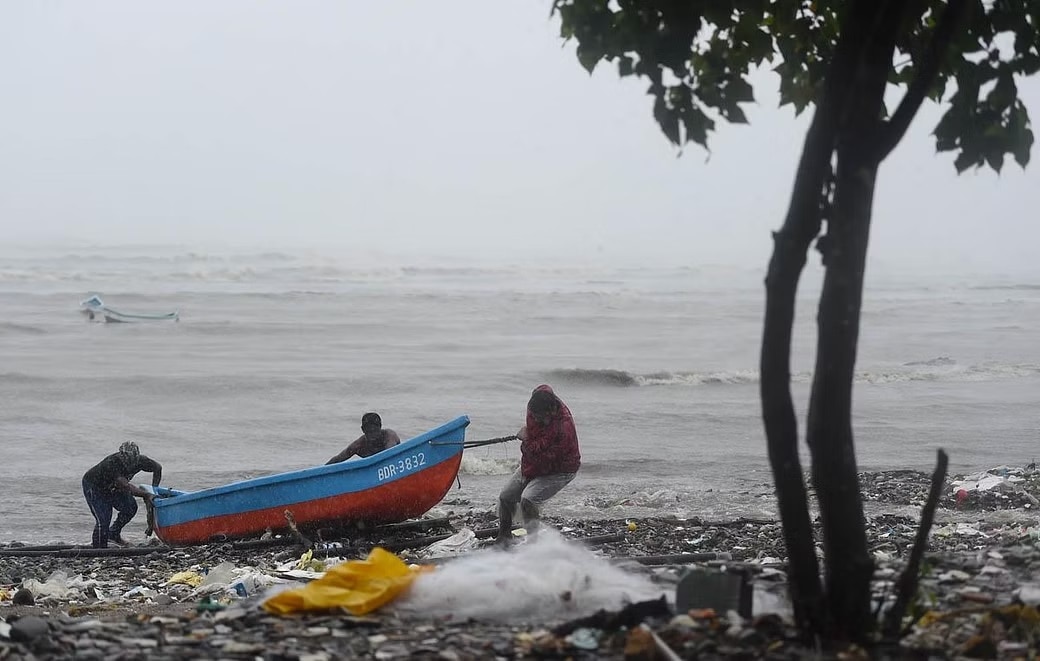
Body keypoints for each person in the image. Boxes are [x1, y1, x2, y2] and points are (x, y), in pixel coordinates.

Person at [497, 384, 581, 545]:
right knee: (505, 497)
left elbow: (545, 459)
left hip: (560, 469)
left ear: (551, 411)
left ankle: (533, 544)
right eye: (533, 416)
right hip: (533, 462)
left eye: (540, 417)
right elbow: (543, 388)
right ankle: (504, 537)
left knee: (528, 499)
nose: (536, 420)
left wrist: (526, 440)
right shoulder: (537, 400)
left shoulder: (563, 428)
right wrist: (528, 441)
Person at [81, 441, 162, 548]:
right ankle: (99, 548)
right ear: (121, 455)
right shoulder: (112, 463)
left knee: (130, 508)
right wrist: (147, 495)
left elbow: (157, 468)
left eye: (133, 461)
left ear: (137, 457)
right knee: (103, 519)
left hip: (114, 487)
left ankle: (113, 534)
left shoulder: (141, 461)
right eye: (127, 460)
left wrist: (154, 490)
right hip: (95, 487)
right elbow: (125, 486)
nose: (129, 464)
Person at [326, 412, 401, 464]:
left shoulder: (389, 435)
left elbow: (389, 453)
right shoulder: (359, 445)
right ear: (363, 430)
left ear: (380, 427)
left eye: (375, 431)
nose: (372, 435)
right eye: (369, 432)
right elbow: (338, 459)